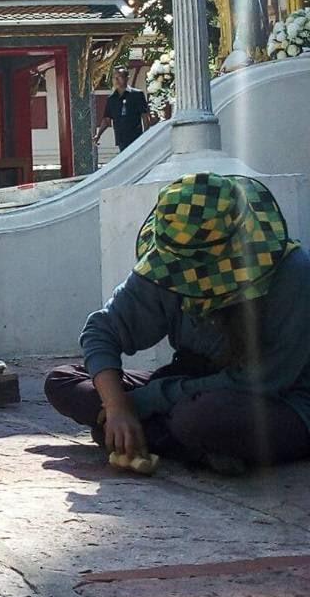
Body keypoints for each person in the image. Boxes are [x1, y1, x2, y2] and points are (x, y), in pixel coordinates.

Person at [45, 173, 310, 475]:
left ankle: (157, 436)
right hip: (185, 379)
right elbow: (102, 330)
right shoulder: (168, 263)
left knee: (200, 417)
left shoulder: (293, 274)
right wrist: (117, 407)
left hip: (273, 398)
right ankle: (183, 445)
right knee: (63, 381)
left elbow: (266, 379)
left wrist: (146, 401)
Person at [94, 68, 152, 153]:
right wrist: (98, 135)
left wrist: (146, 134)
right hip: (121, 139)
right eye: (114, 78)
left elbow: (145, 115)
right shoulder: (111, 99)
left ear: (126, 78)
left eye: (119, 77)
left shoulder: (137, 95)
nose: (116, 80)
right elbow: (107, 119)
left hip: (136, 137)